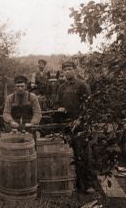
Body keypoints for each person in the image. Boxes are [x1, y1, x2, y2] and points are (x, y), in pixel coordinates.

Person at [56, 61, 95, 194]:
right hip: (67, 125)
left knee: (84, 155)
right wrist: (59, 108)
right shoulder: (61, 87)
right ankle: (76, 184)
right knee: (69, 154)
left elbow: (88, 106)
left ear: (75, 70)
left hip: (81, 125)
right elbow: (57, 103)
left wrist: (80, 120)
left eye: (70, 69)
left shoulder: (82, 85)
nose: (67, 71)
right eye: (65, 69)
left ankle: (89, 184)